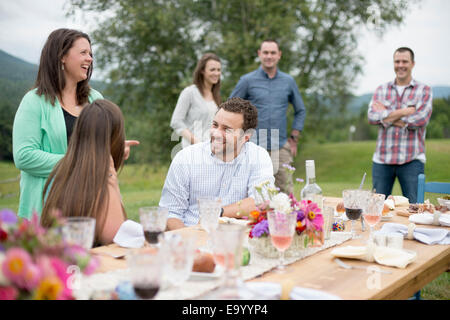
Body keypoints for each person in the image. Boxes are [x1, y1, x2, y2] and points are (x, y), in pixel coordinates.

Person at [12, 28, 138, 219]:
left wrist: (115, 149)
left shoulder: (95, 99)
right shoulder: (34, 101)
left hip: (91, 204)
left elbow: (100, 152)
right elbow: (24, 157)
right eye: (83, 53)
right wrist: (80, 162)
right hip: (48, 209)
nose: (90, 59)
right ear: (62, 56)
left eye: (90, 54)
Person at [160, 97, 275, 230]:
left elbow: (262, 201)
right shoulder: (186, 158)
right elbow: (171, 212)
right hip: (191, 236)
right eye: (215, 125)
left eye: (226, 129)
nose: (216, 133)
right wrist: (188, 243)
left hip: (237, 239)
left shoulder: (258, 156)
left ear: (246, 137)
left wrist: (215, 213)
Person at [41, 99, 127, 246]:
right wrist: (113, 183)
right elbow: (118, 238)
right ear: (113, 138)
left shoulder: (61, 172)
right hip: (92, 265)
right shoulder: (103, 178)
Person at [229, 39, 306, 194]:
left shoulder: (288, 81)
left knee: (285, 193)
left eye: (272, 53)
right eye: (265, 52)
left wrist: (294, 137)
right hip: (252, 145)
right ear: (259, 54)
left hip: (281, 145)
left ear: (279, 55)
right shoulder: (247, 81)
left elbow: (301, 110)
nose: (269, 56)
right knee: (252, 191)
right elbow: (231, 108)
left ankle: (285, 219)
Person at [368, 47, 432, 204]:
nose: (401, 65)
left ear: (413, 64)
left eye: (405, 61)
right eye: (397, 61)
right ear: (393, 63)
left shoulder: (424, 90)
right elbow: (372, 117)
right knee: (377, 209)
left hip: (412, 160)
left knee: (415, 209)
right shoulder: (381, 90)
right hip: (382, 160)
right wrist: (405, 111)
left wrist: (386, 116)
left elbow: (420, 120)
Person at [170, 53, 222, 148]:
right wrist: (197, 143)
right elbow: (176, 122)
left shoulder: (216, 96)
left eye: (219, 70)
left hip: (211, 150)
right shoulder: (189, 92)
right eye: (212, 70)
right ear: (202, 71)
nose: (216, 73)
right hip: (192, 149)